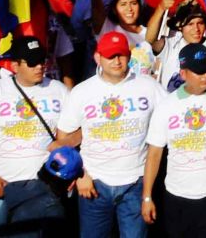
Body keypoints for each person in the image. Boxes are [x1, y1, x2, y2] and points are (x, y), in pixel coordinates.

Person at [59, 29, 160, 238]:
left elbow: (175, 112)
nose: (116, 61)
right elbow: (63, 139)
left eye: (121, 55)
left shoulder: (149, 86)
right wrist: (80, 175)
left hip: (136, 183)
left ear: (129, 56)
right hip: (94, 183)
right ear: (97, 57)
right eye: (110, 55)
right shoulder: (81, 92)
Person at [0, 34, 68, 238]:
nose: (39, 66)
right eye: (32, 63)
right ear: (14, 65)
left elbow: (78, 133)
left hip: (48, 184)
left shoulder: (59, 90)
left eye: (41, 60)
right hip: (6, 187)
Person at [142, 42, 206, 238]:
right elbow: (154, 154)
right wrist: (147, 197)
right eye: (199, 71)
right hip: (179, 199)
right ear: (183, 74)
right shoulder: (167, 106)